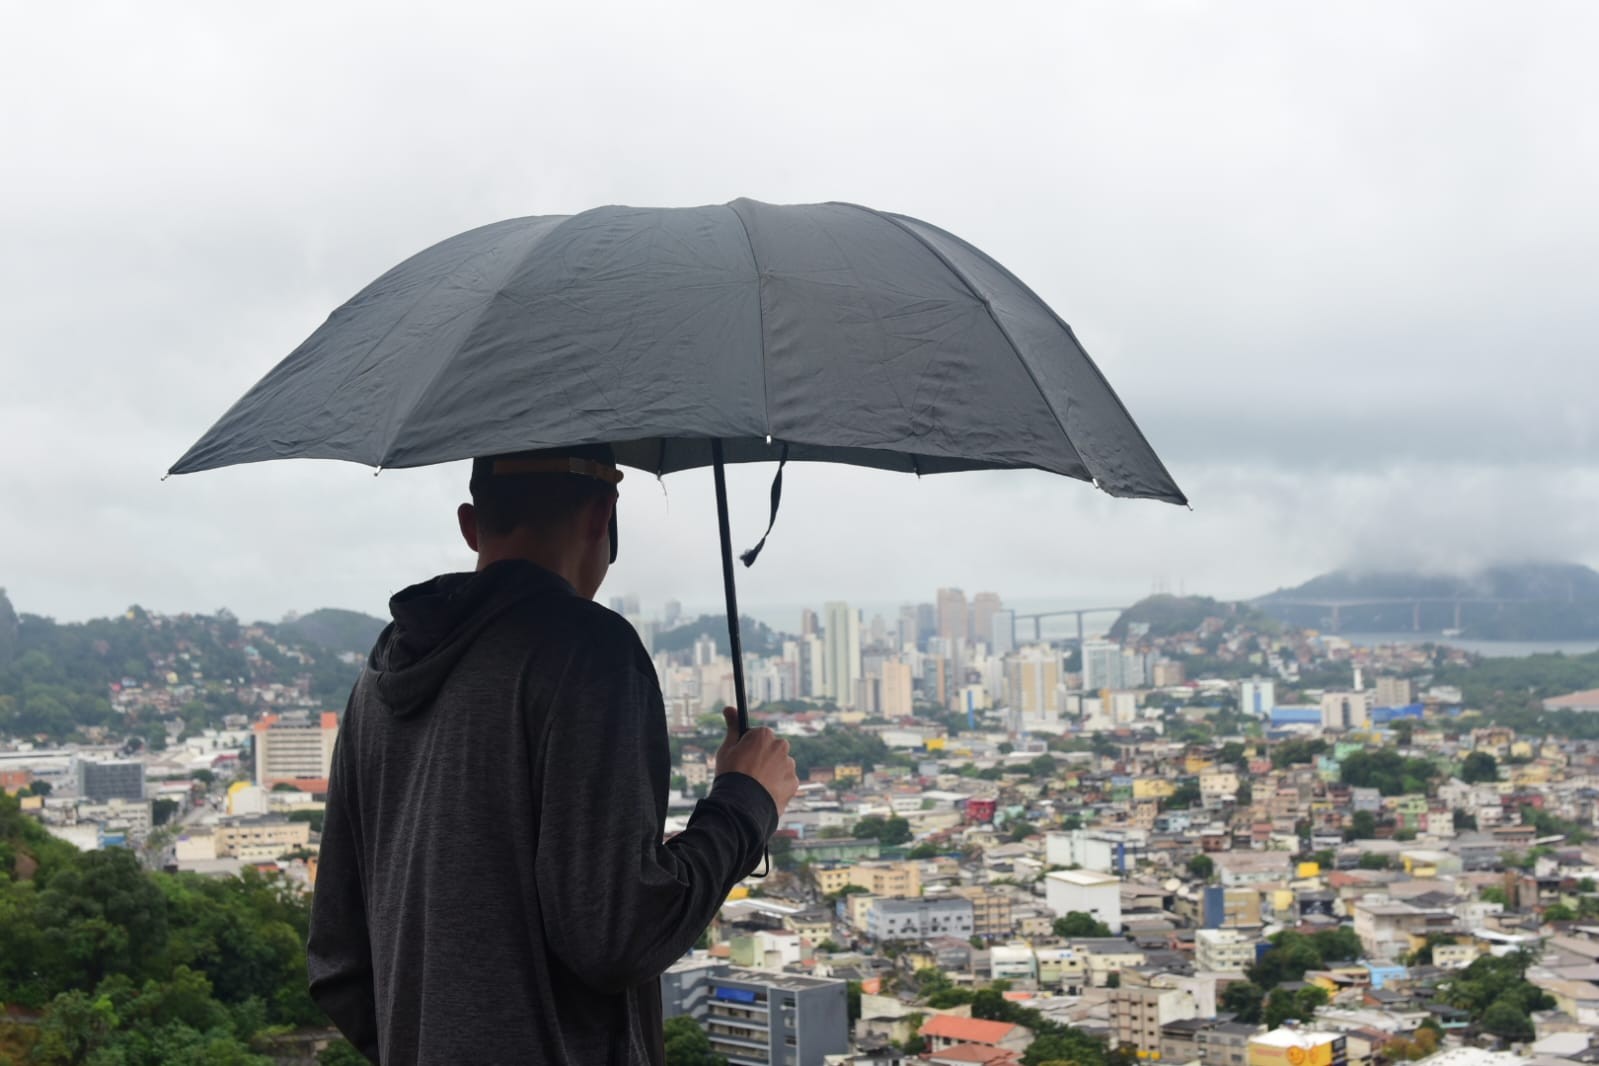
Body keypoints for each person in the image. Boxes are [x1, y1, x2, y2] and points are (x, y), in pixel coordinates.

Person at [307, 444, 799, 1065]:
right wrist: (744, 803)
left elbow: (338, 964)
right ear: (602, 517)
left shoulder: (378, 678)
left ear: (470, 524)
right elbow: (619, 932)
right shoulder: (588, 651)